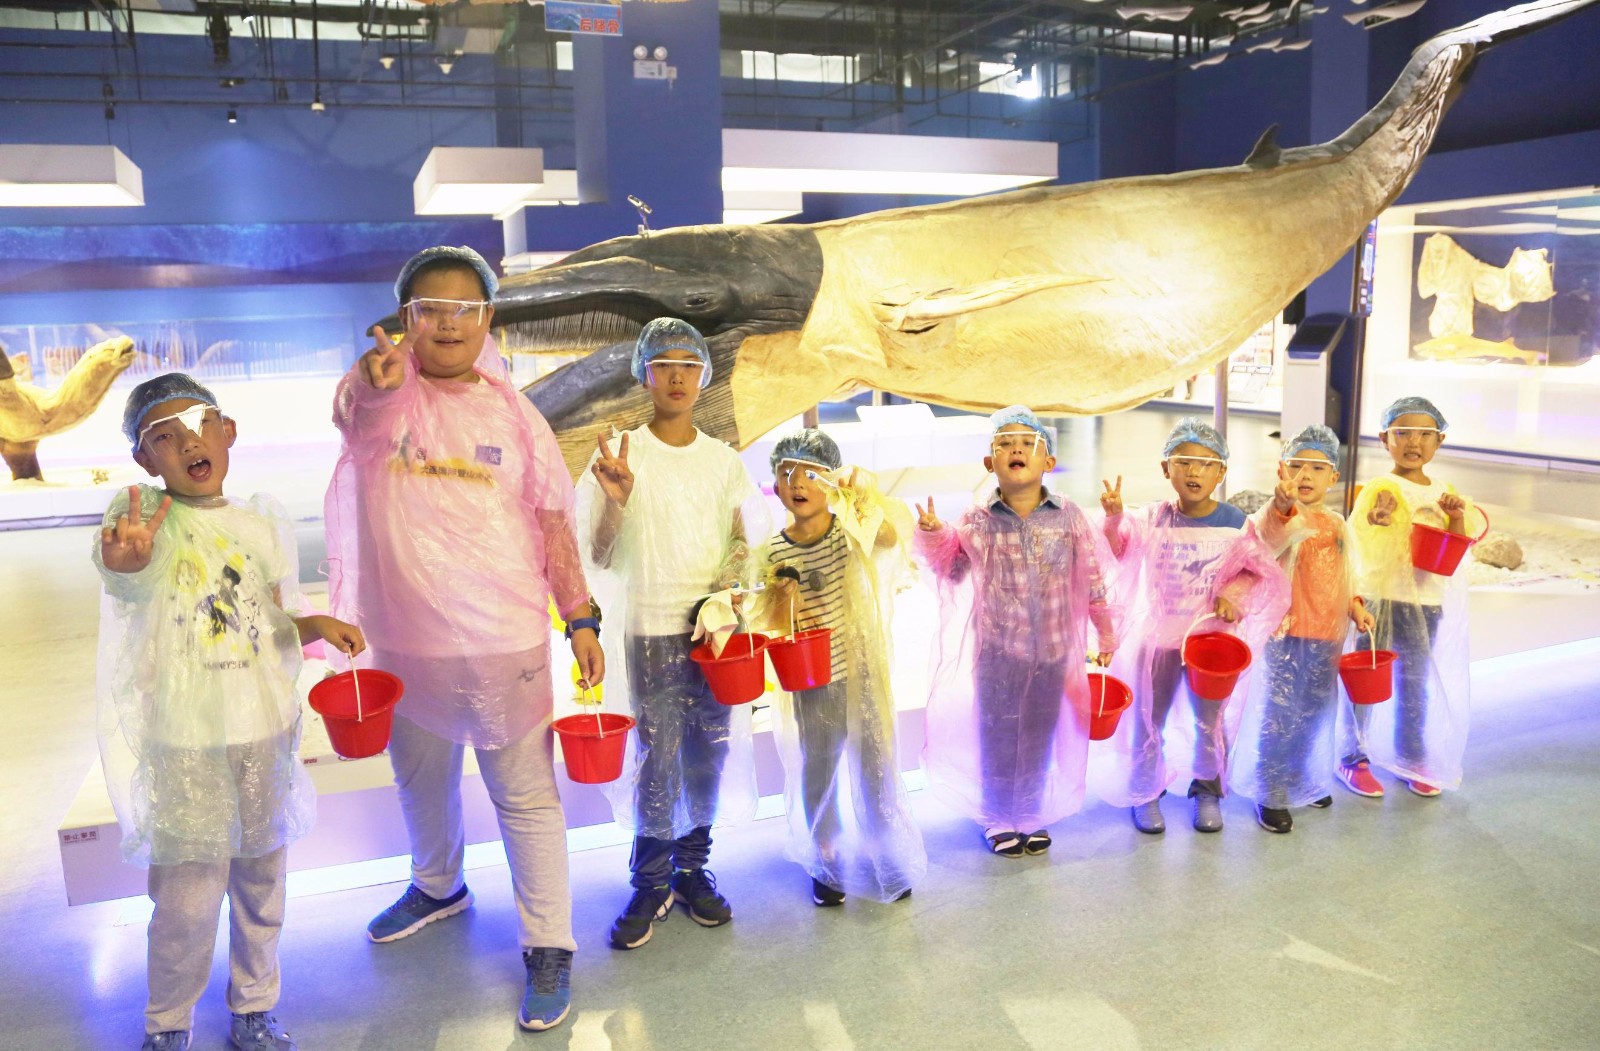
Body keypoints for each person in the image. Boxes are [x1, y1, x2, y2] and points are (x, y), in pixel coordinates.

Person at [325, 246, 603, 1032]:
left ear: (488, 319)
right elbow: (355, 420)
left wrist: (579, 615)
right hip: (404, 636)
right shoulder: (382, 394)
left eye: (464, 309)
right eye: (429, 310)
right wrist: (375, 386)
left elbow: (554, 523)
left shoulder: (517, 415)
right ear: (403, 319)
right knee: (420, 776)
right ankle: (437, 884)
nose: (447, 324)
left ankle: (548, 942)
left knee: (525, 794)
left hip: (502, 637)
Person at [96, 374, 366, 1051]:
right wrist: (125, 564)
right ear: (145, 459)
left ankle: (254, 1006)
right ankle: (168, 1021)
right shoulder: (146, 520)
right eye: (165, 436)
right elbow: (128, 572)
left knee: (261, 879)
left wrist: (315, 624)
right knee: (187, 895)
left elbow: (274, 615)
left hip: (262, 731)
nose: (189, 442)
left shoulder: (259, 523)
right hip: (185, 742)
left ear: (229, 431)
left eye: (199, 425)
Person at [577, 317, 765, 949]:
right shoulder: (621, 454)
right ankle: (650, 880)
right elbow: (598, 556)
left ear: (703, 376)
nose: (678, 376)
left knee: (708, 753)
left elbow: (742, 538)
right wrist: (615, 501)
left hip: (713, 634)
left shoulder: (722, 460)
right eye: (665, 365)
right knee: (656, 759)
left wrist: (732, 582)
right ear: (645, 375)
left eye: (690, 364)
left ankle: (692, 869)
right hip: (652, 628)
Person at [915, 406, 1121, 857]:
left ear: (1049, 461)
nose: (1016, 450)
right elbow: (953, 570)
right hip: (998, 653)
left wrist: (1105, 633)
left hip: (1052, 652)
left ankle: (1028, 811)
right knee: (999, 735)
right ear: (989, 462)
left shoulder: (1068, 517)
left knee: (1038, 735)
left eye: (1028, 443)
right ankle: (997, 815)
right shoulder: (978, 520)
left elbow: (1093, 579)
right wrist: (934, 536)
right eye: (1005, 443)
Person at [749, 429, 926, 905]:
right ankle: (825, 854)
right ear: (775, 485)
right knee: (819, 765)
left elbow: (889, 538)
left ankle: (885, 847)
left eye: (811, 474)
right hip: (811, 677)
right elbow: (770, 618)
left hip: (861, 670)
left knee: (874, 762)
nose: (797, 482)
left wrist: (861, 498)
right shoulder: (775, 551)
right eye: (786, 473)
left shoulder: (849, 531)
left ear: (830, 482)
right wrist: (780, 597)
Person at [1095, 418, 1290, 834]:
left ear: (1222, 472)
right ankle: (1146, 791)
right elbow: (1119, 549)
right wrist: (1113, 519)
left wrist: (1234, 595)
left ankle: (1207, 790)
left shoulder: (1235, 523)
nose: (1194, 471)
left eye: (1206, 463)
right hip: (1161, 640)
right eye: (1183, 461)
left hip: (1212, 644)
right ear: (1166, 468)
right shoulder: (1153, 518)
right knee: (1149, 718)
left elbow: (1256, 569)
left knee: (1210, 722)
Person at [1229, 425, 1376, 834]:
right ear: (1281, 471)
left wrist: (1355, 606)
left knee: (1314, 711)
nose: (1305, 475)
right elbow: (1267, 538)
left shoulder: (1337, 524)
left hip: (1327, 633)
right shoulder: (1278, 515)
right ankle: (1271, 789)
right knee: (1279, 712)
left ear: (1334, 477)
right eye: (1296, 466)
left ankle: (1300, 776)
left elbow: (1348, 573)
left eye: (1317, 467)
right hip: (1284, 633)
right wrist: (1281, 506)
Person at [1341, 396, 1479, 798]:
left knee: (1415, 683)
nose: (1413, 442)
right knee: (1367, 680)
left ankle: (1411, 756)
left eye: (1424, 434)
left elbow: (1457, 543)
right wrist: (1377, 518)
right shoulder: (1381, 487)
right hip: (1382, 600)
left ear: (1439, 441)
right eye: (1402, 433)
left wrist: (1455, 515)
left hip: (1426, 602)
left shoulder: (1445, 491)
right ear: (1385, 439)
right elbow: (1360, 536)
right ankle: (1352, 757)